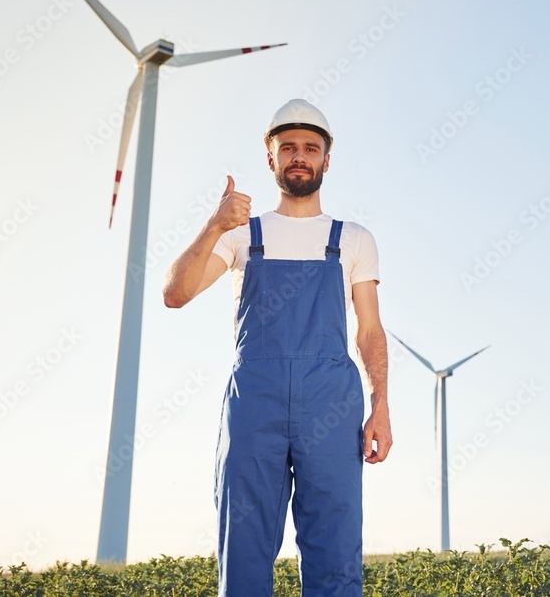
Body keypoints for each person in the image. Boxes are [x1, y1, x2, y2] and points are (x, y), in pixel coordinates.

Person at [162, 99, 392, 596]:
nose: (299, 156)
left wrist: (381, 406)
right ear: (271, 158)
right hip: (256, 403)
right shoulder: (241, 233)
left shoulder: (352, 239)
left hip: (330, 402)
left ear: (327, 159)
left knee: (335, 550)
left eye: (311, 147)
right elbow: (174, 295)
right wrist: (214, 225)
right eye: (287, 147)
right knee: (242, 546)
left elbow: (370, 330)